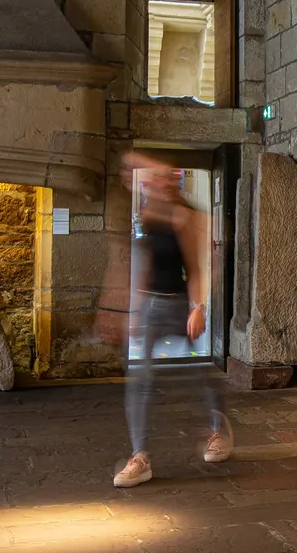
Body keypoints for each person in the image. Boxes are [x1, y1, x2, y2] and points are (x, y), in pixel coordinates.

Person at [99, 153, 231, 488]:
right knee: (139, 378)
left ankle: (219, 429)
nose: (148, 182)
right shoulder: (147, 215)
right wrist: (130, 311)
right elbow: (140, 265)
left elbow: (197, 268)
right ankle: (140, 456)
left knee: (195, 373)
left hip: (176, 305)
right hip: (150, 307)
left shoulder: (182, 216)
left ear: (167, 182)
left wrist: (198, 307)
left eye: (157, 178)